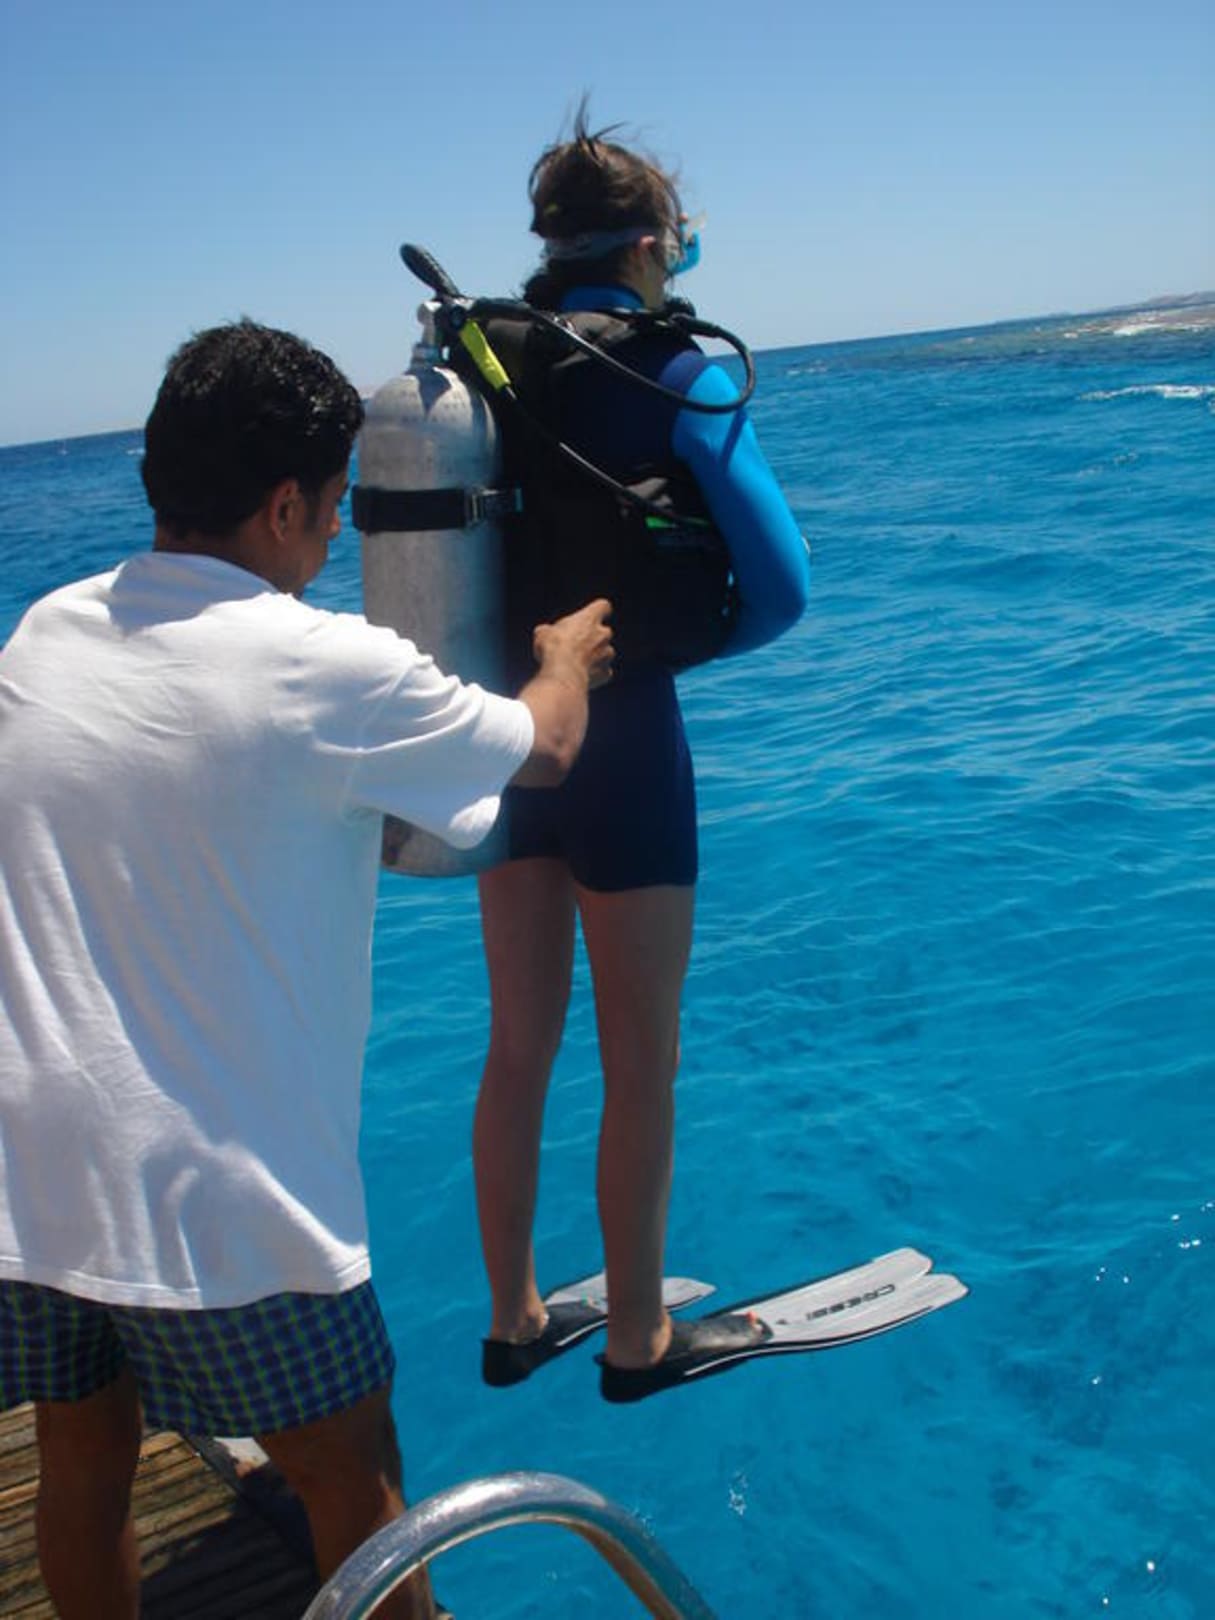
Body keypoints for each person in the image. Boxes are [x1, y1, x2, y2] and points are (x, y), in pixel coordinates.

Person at [0, 319, 612, 1620]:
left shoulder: (47, 633)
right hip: (227, 1195)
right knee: (358, 1480)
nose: (336, 536)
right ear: (285, 504)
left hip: (32, 1171)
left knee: (83, 1464)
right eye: (336, 507)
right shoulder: (325, 664)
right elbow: (543, 749)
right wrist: (565, 661)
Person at [473, 110, 811, 1401]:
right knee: (641, 1061)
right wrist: (663, 652)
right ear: (655, 241)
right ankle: (636, 1337)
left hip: (505, 737)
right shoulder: (681, 372)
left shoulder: (480, 364)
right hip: (622, 743)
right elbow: (782, 589)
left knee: (518, 1045)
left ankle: (515, 1318)